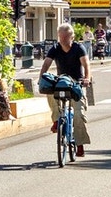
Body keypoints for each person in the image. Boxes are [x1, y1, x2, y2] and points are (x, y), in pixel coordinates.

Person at [39, 23, 92, 156]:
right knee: (49, 91)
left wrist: (86, 78)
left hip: (76, 83)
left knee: (79, 114)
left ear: (72, 37)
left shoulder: (78, 48)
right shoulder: (55, 48)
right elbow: (46, 64)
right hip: (61, 81)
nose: (62, 40)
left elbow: (86, 65)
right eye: (60, 37)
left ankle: (79, 144)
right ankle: (57, 119)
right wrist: (41, 78)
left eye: (65, 37)